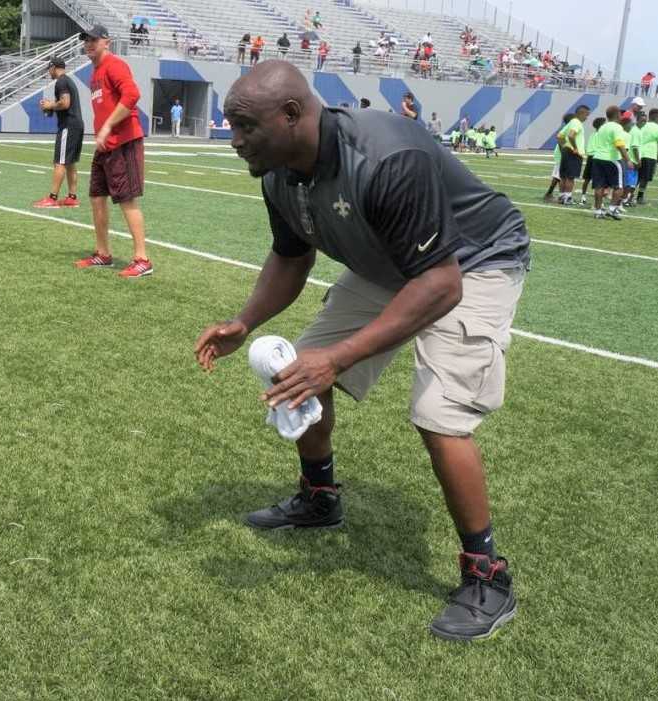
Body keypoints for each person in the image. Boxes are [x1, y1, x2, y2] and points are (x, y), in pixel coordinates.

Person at [199, 61, 529, 641]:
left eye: (246, 125)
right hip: (394, 261)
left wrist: (341, 356)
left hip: (472, 262)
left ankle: (487, 576)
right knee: (300, 371)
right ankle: (320, 498)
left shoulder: (387, 157)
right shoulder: (279, 172)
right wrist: (244, 322)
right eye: (232, 124)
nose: (236, 139)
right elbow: (291, 255)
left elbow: (442, 284)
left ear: (293, 114)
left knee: (440, 415)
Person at [76, 25, 151, 278]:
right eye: (86, 40)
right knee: (97, 197)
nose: (89, 43)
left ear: (106, 41)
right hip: (105, 145)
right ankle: (103, 253)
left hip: (124, 141)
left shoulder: (115, 65)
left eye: (93, 39)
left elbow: (132, 94)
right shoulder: (94, 72)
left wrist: (108, 125)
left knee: (127, 199)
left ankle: (142, 259)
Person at [33, 56, 84, 208]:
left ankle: (52, 197)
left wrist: (50, 105)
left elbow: (65, 103)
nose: (48, 72)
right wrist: (52, 106)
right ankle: (72, 197)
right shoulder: (68, 81)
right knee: (70, 163)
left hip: (68, 125)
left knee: (60, 162)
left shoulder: (61, 81)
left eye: (49, 69)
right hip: (77, 124)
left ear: (53, 67)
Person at [591, 105, 631, 220]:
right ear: (618, 114)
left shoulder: (603, 127)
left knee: (599, 186)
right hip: (612, 159)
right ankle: (612, 209)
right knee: (619, 186)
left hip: (598, 158)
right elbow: (619, 144)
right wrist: (628, 159)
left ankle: (598, 211)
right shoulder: (617, 127)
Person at [556, 104, 590, 206]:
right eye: (586, 115)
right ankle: (568, 197)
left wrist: (565, 147)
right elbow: (571, 135)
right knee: (571, 177)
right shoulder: (576, 122)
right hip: (573, 153)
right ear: (581, 113)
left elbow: (559, 136)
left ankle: (561, 196)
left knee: (564, 176)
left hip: (567, 151)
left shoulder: (571, 122)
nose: (587, 118)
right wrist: (575, 148)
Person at [543, 113, 572, 201]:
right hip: (561, 154)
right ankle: (550, 194)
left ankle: (559, 194)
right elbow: (560, 142)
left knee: (559, 176)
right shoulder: (567, 129)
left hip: (562, 153)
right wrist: (564, 154)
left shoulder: (568, 129)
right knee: (558, 176)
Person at [580, 117, 607, 205]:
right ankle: (598, 202)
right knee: (599, 180)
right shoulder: (601, 135)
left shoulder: (593, 134)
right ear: (601, 125)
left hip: (591, 157)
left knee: (587, 179)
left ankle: (583, 197)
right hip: (597, 158)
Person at [635, 109, 658, 204]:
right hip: (650, 155)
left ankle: (628, 195)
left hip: (639, 154)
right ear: (655, 116)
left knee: (637, 176)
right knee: (645, 178)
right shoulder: (656, 127)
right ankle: (640, 197)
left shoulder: (642, 125)